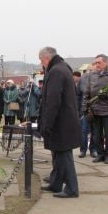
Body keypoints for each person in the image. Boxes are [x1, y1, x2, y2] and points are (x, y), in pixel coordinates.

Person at [39, 47, 80, 198]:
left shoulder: (56, 71)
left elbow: (53, 101)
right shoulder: (63, 68)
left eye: (40, 60)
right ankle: (56, 184)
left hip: (61, 122)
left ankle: (72, 188)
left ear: (46, 58)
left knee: (64, 155)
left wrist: (47, 124)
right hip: (64, 120)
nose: (41, 63)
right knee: (58, 154)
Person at [83, 54, 108, 164]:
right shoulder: (92, 74)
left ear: (105, 62)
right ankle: (100, 154)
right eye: (95, 63)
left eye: (99, 62)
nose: (96, 65)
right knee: (96, 134)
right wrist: (85, 106)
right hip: (94, 109)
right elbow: (87, 91)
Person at [76, 64, 97, 158]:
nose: (91, 72)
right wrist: (78, 109)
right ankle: (83, 150)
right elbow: (77, 95)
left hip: (97, 109)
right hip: (85, 109)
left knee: (95, 131)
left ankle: (93, 150)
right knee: (83, 131)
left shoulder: (99, 79)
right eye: (90, 70)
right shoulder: (82, 79)